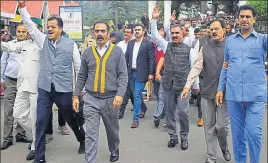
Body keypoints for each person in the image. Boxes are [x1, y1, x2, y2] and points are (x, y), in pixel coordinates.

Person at [18, 1, 85, 162]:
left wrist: (78, 92)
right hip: (45, 89)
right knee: (40, 122)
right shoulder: (42, 40)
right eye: (48, 26)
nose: (49, 29)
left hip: (64, 90)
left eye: (53, 27)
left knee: (70, 119)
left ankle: (82, 138)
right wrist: (22, 7)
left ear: (60, 28)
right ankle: (39, 158)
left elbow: (78, 67)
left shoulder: (71, 45)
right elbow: (30, 25)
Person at [216, 5, 267, 163]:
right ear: (238, 19)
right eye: (242, 16)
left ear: (254, 19)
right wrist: (220, 88)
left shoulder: (263, 40)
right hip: (234, 95)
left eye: (248, 16)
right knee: (238, 136)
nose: (244, 19)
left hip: (256, 95)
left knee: (253, 133)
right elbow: (226, 65)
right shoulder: (230, 41)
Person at [73, 21, 128, 163]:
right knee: (91, 134)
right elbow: (82, 76)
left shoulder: (117, 52)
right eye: (97, 31)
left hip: (111, 99)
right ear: (93, 33)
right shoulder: (87, 52)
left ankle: (114, 149)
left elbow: (123, 75)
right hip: (91, 99)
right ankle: (90, 160)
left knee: (112, 132)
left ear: (108, 34)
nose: (99, 34)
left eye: (103, 31)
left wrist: (120, 94)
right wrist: (76, 95)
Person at [181, 19, 231, 163]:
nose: (213, 31)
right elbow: (197, 67)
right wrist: (187, 85)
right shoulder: (205, 47)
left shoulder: (230, 46)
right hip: (207, 93)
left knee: (222, 127)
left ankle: (224, 146)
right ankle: (211, 157)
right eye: (211, 29)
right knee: (209, 127)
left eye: (216, 29)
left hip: (225, 94)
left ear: (223, 30)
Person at [151, 5, 199, 150]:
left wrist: (195, 86)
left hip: (183, 87)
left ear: (183, 34)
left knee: (183, 113)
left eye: (177, 33)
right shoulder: (167, 46)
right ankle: (173, 137)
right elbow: (154, 35)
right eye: (173, 33)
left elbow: (194, 70)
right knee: (170, 113)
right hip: (168, 86)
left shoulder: (190, 51)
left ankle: (184, 137)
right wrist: (154, 19)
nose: (175, 35)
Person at [1, 23, 31, 151]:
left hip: (24, 82)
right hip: (10, 81)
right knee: (8, 110)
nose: (21, 34)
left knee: (22, 109)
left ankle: (20, 134)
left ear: (27, 33)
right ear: (16, 33)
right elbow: (3, 62)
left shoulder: (31, 46)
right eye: (19, 31)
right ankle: (7, 138)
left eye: (23, 32)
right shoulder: (10, 45)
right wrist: (1, 78)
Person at [125, 24, 155, 128]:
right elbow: (126, 58)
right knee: (135, 94)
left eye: (139, 30)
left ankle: (135, 119)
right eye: (136, 30)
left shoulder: (148, 44)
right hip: (131, 73)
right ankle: (143, 108)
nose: (137, 31)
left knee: (137, 94)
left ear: (143, 31)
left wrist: (151, 73)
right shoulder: (130, 43)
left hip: (142, 73)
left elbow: (151, 59)